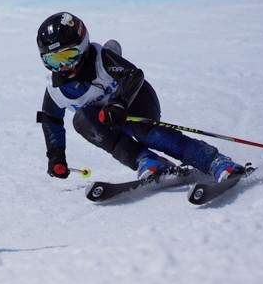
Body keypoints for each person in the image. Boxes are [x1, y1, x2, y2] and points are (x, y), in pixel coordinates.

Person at [36, 11, 244, 182]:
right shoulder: (55, 88)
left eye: (69, 56)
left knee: (148, 133)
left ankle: (215, 161)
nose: (64, 66)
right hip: (108, 118)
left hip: (136, 101)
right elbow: (50, 119)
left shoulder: (101, 59)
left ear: (83, 46)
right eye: (54, 60)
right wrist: (56, 155)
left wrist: (119, 103)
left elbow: (133, 75)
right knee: (81, 120)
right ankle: (147, 160)